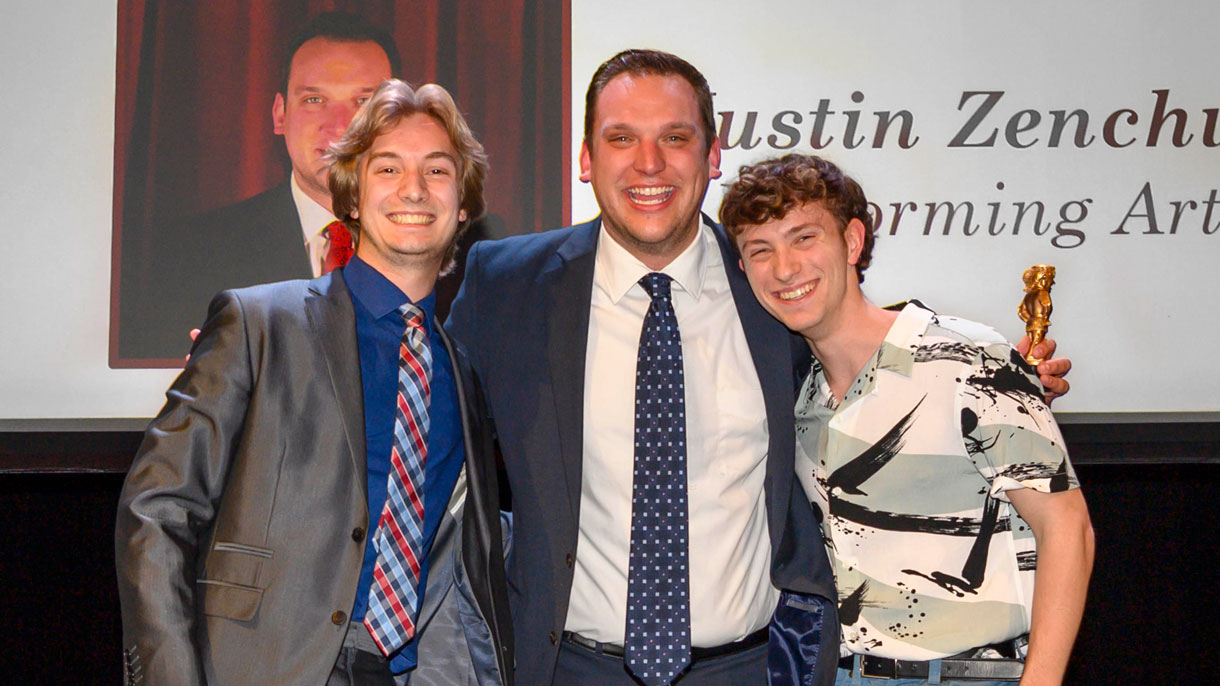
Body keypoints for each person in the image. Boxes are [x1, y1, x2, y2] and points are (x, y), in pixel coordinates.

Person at [446, 48, 1070, 686]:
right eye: (621, 138)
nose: (649, 162)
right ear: (586, 157)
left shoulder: (771, 291)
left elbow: (871, 353)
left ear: (712, 157)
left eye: (676, 137)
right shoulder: (505, 285)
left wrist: (1006, 379)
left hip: (750, 667)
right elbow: (433, 417)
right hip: (566, 667)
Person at [115, 79, 513, 686]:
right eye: (388, 168)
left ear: (462, 205)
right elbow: (157, 510)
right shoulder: (257, 324)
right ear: (351, 197)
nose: (413, 188)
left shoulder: (463, 373)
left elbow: (463, 553)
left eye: (437, 170)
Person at [720, 153, 1093, 686]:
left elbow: (1067, 528)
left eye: (804, 239)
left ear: (852, 241)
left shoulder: (967, 356)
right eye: (761, 250)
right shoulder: (797, 399)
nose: (784, 268)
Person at [120, 12, 400, 359]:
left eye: (364, 102)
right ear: (280, 115)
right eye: (314, 100)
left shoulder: (470, 259)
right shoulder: (193, 255)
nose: (340, 126)